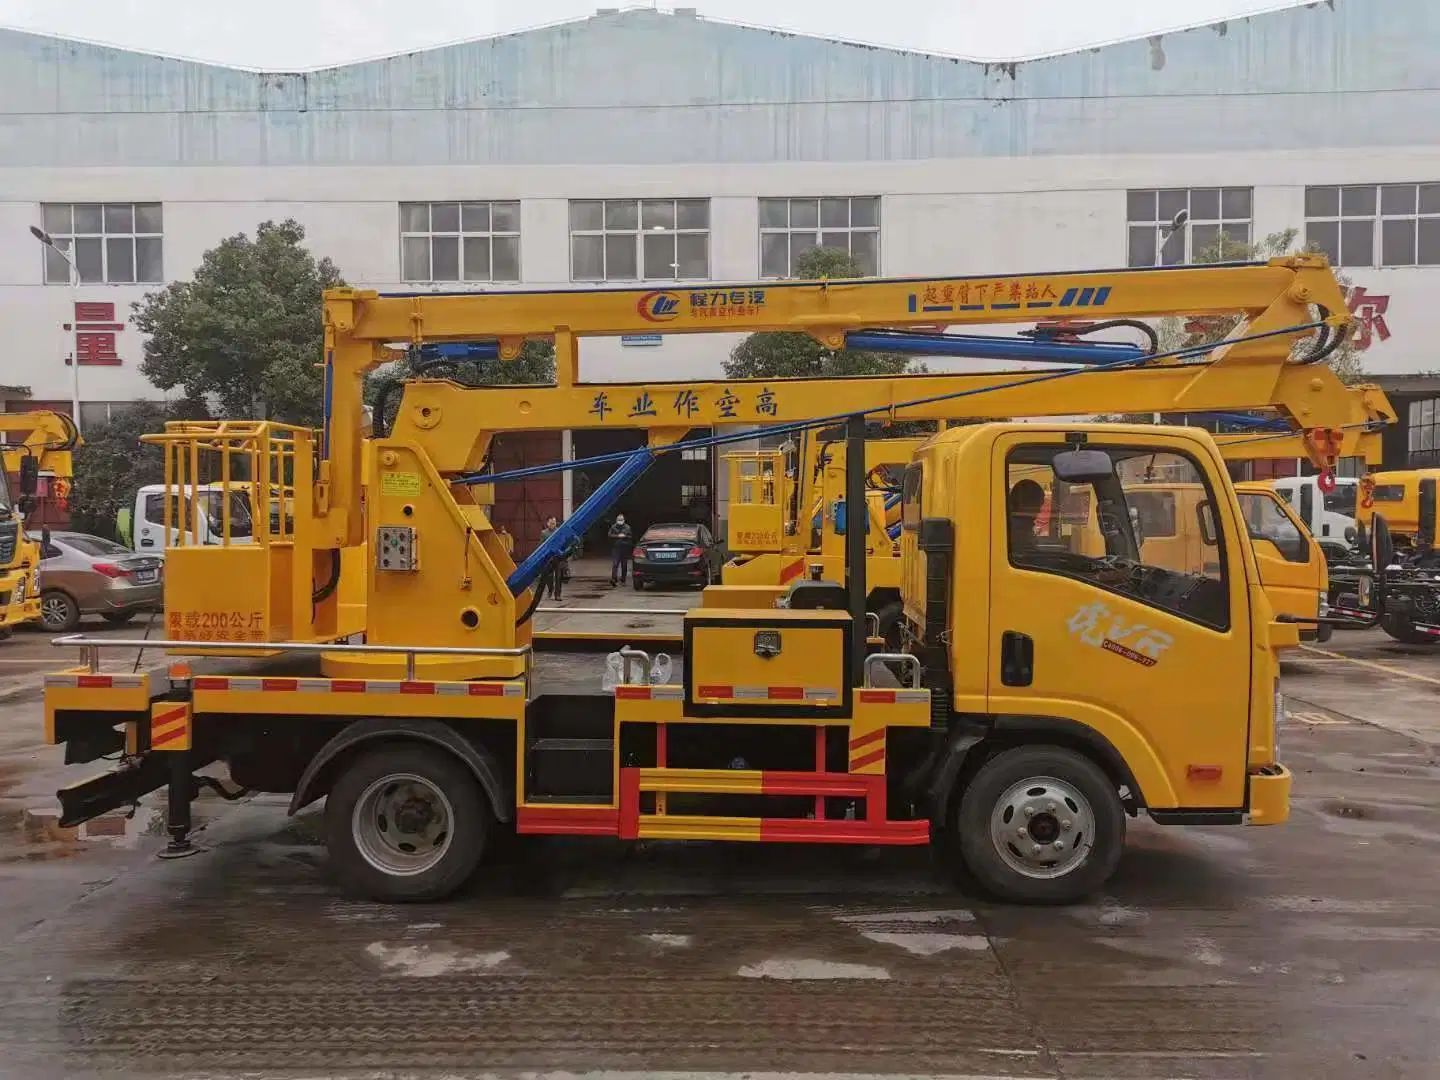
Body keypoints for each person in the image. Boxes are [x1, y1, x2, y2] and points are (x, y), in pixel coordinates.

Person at [1008, 479, 1046, 552]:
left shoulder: (1016, 524)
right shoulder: (1019, 529)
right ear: (1025, 504)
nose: (1039, 511)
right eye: (1037, 506)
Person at [539, 516, 565, 601]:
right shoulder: (544, 533)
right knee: (548, 577)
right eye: (551, 523)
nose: (553, 525)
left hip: (558, 557)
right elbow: (541, 545)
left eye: (554, 523)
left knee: (558, 577)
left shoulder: (559, 531)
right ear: (547, 523)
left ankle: (557, 595)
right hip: (548, 558)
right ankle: (550, 588)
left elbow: (562, 543)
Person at [608, 513, 634, 586]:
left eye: (621, 520)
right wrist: (617, 536)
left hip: (625, 548)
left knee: (624, 564)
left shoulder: (627, 527)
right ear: (616, 520)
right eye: (619, 520)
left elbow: (630, 536)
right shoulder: (613, 527)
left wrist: (625, 536)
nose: (620, 521)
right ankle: (614, 578)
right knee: (615, 564)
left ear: (623, 520)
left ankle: (623, 579)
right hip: (616, 548)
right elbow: (609, 535)